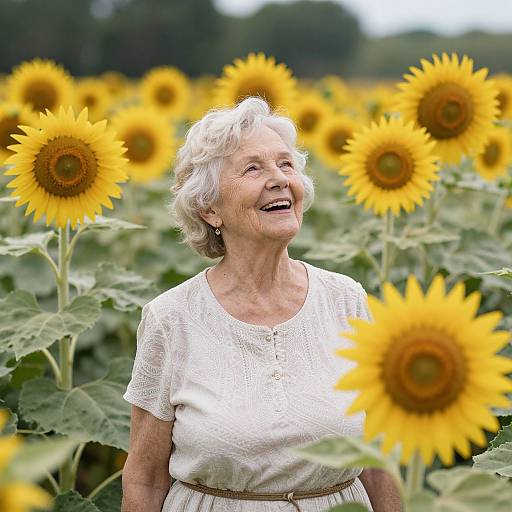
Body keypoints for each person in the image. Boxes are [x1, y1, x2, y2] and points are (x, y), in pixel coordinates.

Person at [121, 97, 401, 512]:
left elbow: (378, 464)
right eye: (254, 168)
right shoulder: (172, 319)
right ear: (209, 208)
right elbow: (145, 479)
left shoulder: (347, 301)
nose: (280, 179)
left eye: (286, 165)